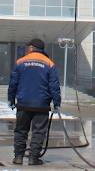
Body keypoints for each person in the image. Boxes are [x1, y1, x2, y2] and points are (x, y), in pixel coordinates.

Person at [7, 38, 61, 166]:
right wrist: (56, 103)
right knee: (38, 132)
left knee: (20, 131)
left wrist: (11, 99)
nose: (27, 49)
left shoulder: (20, 62)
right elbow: (54, 85)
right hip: (41, 106)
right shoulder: (49, 64)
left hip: (23, 104)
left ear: (31, 48)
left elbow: (13, 83)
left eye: (28, 47)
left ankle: (18, 157)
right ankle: (33, 158)